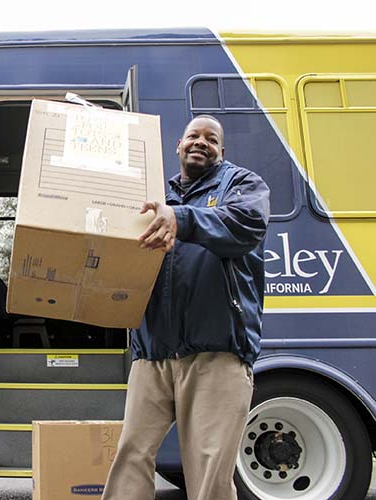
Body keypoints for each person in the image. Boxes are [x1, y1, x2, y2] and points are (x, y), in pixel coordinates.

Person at [101, 115, 270, 500]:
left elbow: (244, 225)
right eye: (193, 135)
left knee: (209, 471)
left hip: (216, 354)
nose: (201, 142)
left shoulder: (241, 185)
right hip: (153, 354)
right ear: (178, 146)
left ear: (221, 151)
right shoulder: (154, 196)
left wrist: (180, 217)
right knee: (130, 458)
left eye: (211, 139)